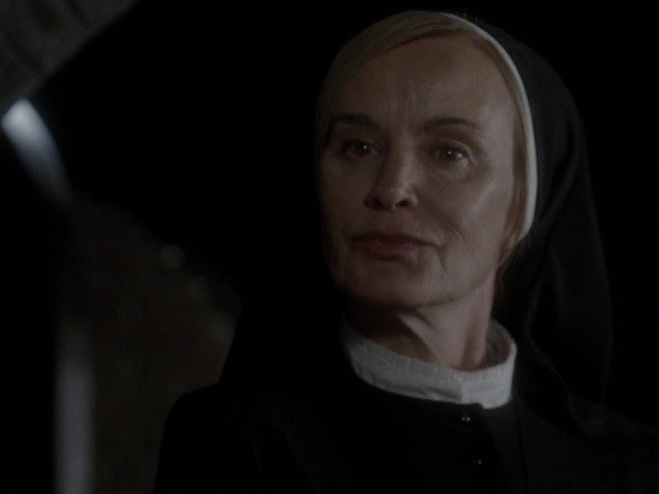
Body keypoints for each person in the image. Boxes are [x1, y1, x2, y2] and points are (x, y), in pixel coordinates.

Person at [153, 11, 659, 493]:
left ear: (526, 204)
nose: (391, 188)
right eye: (358, 147)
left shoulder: (629, 467)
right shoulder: (239, 442)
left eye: (449, 152)